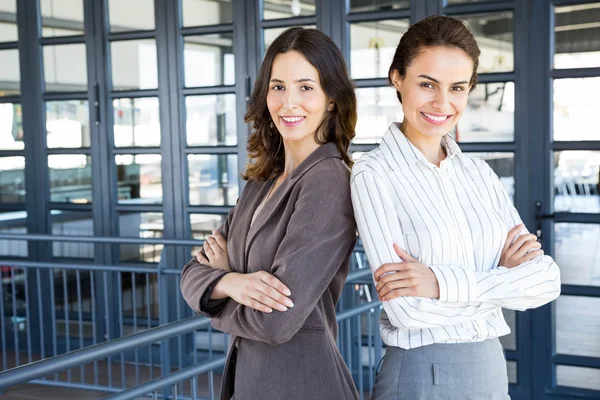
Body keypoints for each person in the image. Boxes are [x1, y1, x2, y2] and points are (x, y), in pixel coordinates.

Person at [350, 16, 561, 399]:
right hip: (420, 376)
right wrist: (500, 279)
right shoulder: (373, 173)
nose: (442, 103)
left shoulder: (478, 174)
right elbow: (408, 311)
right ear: (397, 78)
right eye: (427, 84)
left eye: (457, 88)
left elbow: (546, 281)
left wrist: (440, 283)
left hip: (492, 370)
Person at [180, 27, 359, 400]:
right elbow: (191, 273)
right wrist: (232, 283)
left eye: (306, 87)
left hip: (301, 386)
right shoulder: (262, 180)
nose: (288, 102)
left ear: (331, 99)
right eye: (278, 87)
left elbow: (275, 321)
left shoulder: (328, 181)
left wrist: (221, 280)